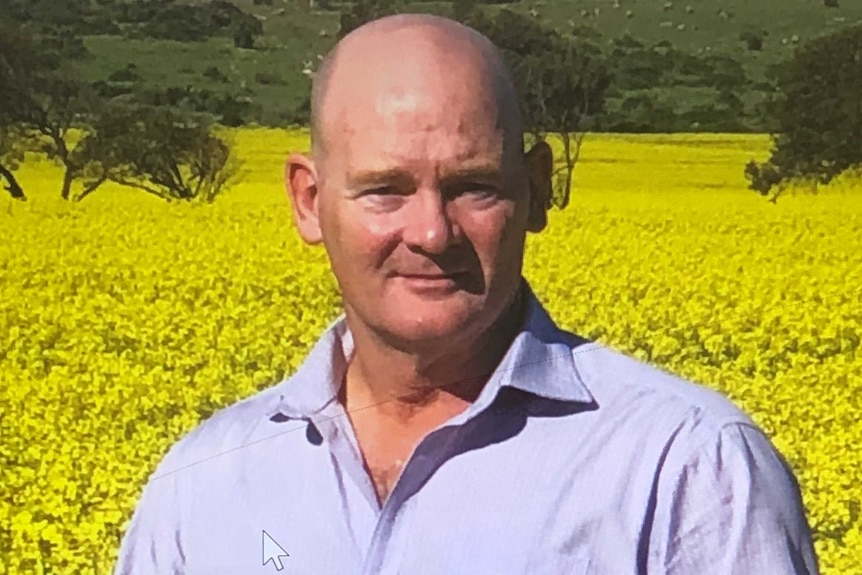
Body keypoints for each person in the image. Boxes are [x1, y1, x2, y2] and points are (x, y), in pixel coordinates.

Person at [114, 14, 820, 575]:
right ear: (308, 199)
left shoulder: (687, 467)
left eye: (473, 186)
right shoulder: (203, 484)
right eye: (385, 190)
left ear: (538, 188)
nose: (430, 230)